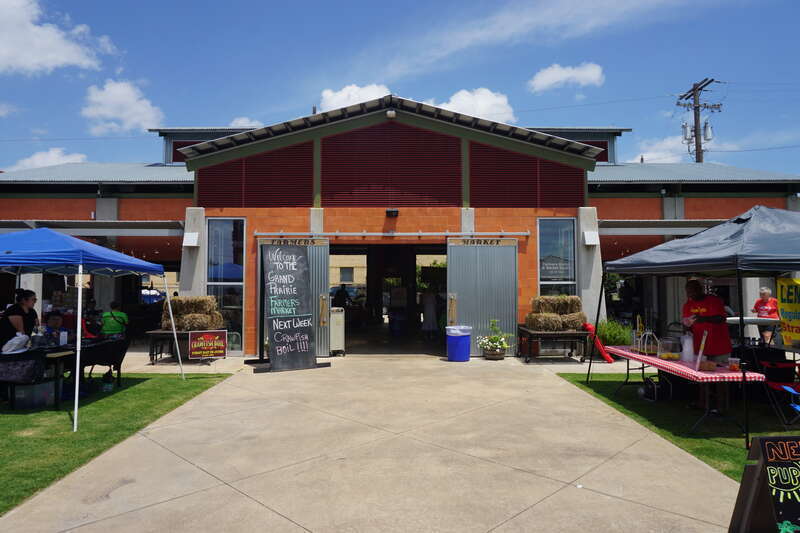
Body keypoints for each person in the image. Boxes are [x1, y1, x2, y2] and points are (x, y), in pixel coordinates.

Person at [682, 279, 732, 361]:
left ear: (700, 289)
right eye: (688, 293)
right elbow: (686, 325)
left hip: (719, 348)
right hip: (700, 349)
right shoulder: (687, 305)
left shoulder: (714, 301)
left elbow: (721, 318)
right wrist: (686, 326)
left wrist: (704, 319)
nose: (690, 295)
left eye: (693, 291)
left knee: (721, 372)